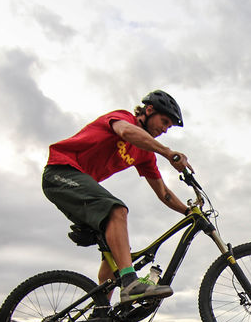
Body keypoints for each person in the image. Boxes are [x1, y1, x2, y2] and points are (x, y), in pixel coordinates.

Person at [42, 90, 193, 305]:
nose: (165, 129)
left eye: (169, 126)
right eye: (164, 121)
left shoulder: (145, 153)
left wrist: (188, 212)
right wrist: (168, 153)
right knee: (117, 210)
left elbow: (163, 193)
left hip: (76, 185)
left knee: (118, 251)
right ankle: (130, 283)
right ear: (149, 110)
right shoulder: (124, 118)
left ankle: (101, 313)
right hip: (60, 171)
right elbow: (125, 132)